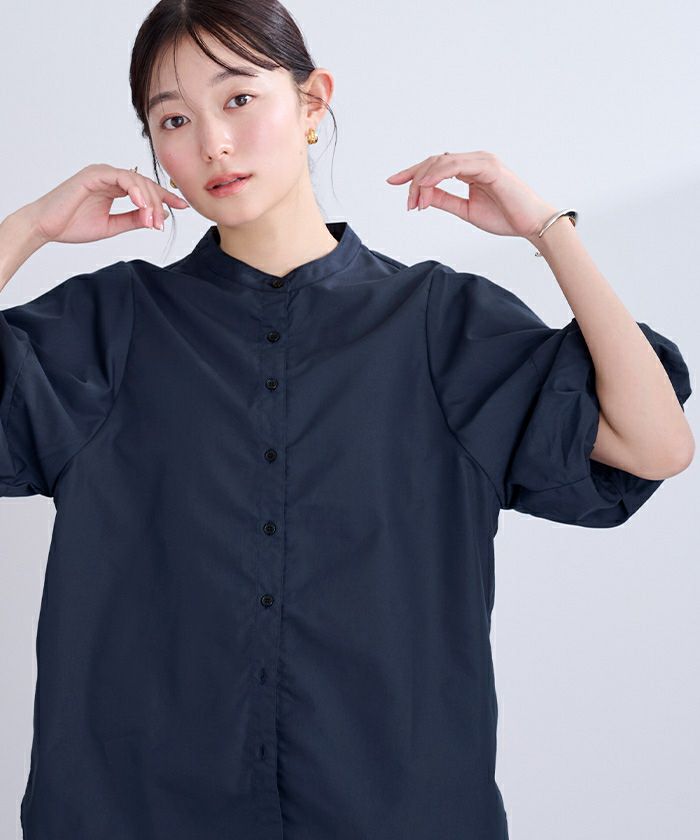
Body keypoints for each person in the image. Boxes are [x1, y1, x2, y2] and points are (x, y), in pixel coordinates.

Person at [0, 1, 693, 838]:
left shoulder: (440, 323)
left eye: (238, 98)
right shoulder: (109, 327)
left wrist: (548, 232)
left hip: (394, 810)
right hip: (137, 812)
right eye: (173, 119)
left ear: (313, 102)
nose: (213, 143)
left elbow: (655, 444)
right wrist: (29, 227)